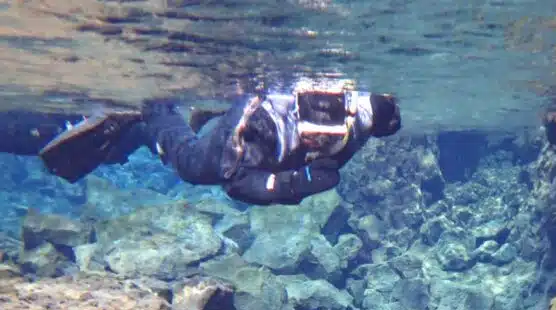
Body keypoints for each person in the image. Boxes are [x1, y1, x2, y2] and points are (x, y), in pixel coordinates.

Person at [29, 85, 401, 205]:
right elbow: (235, 182)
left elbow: (384, 111)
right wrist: (290, 185)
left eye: (328, 135)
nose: (319, 139)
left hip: (258, 111)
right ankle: (151, 111)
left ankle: (153, 128)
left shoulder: (363, 115)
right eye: (313, 134)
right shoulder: (266, 135)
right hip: (248, 128)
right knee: (192, 166)